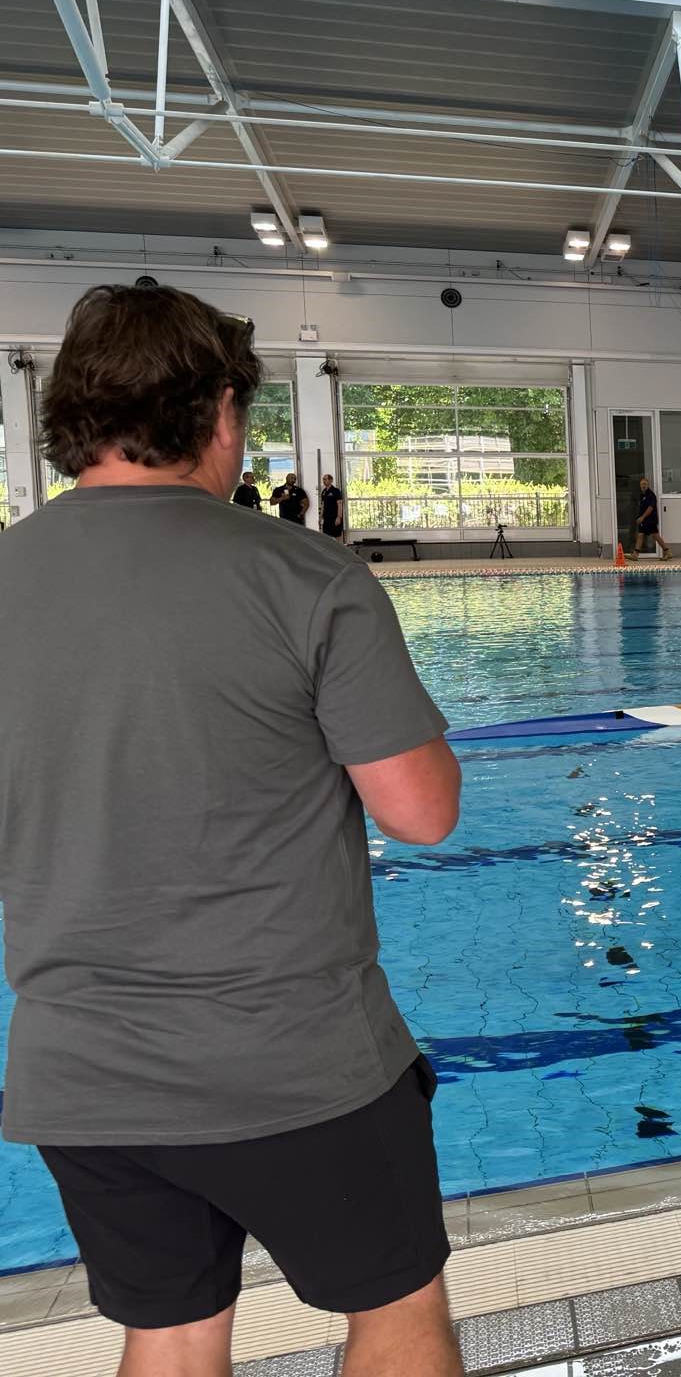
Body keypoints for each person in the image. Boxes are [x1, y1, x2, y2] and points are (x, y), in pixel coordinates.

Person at [0, 284, 466, 1377]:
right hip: (298, 1066)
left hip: (85, 1075)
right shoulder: (301, 575)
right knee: (397, 1317)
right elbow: (423, 814)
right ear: (218, 412)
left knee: (167, 1337)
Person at [633, 475, 669, 559]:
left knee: (654, 535)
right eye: (642, 484)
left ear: (648, 485)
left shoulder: (650, 495)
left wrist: (642, 517)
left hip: (650, 520)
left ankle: (667, 551)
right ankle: (635, 554)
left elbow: (650, 508)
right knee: (641, 535)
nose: (643, 485)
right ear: (640, 485)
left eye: (645, 484)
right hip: (645, 520)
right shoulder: (642, 495)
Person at [319, 471, 347, 540]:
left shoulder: (336, 491)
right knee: (326, 536)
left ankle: (339, 550)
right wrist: (320, 516)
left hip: (334, 517)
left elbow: (340, 504)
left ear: (331, 480)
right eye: (323, 479)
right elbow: (323, 505)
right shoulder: (324, 492)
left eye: (326, 479)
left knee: (337, 536)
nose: (324, 481)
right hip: (326, 518)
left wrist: (338, 517)